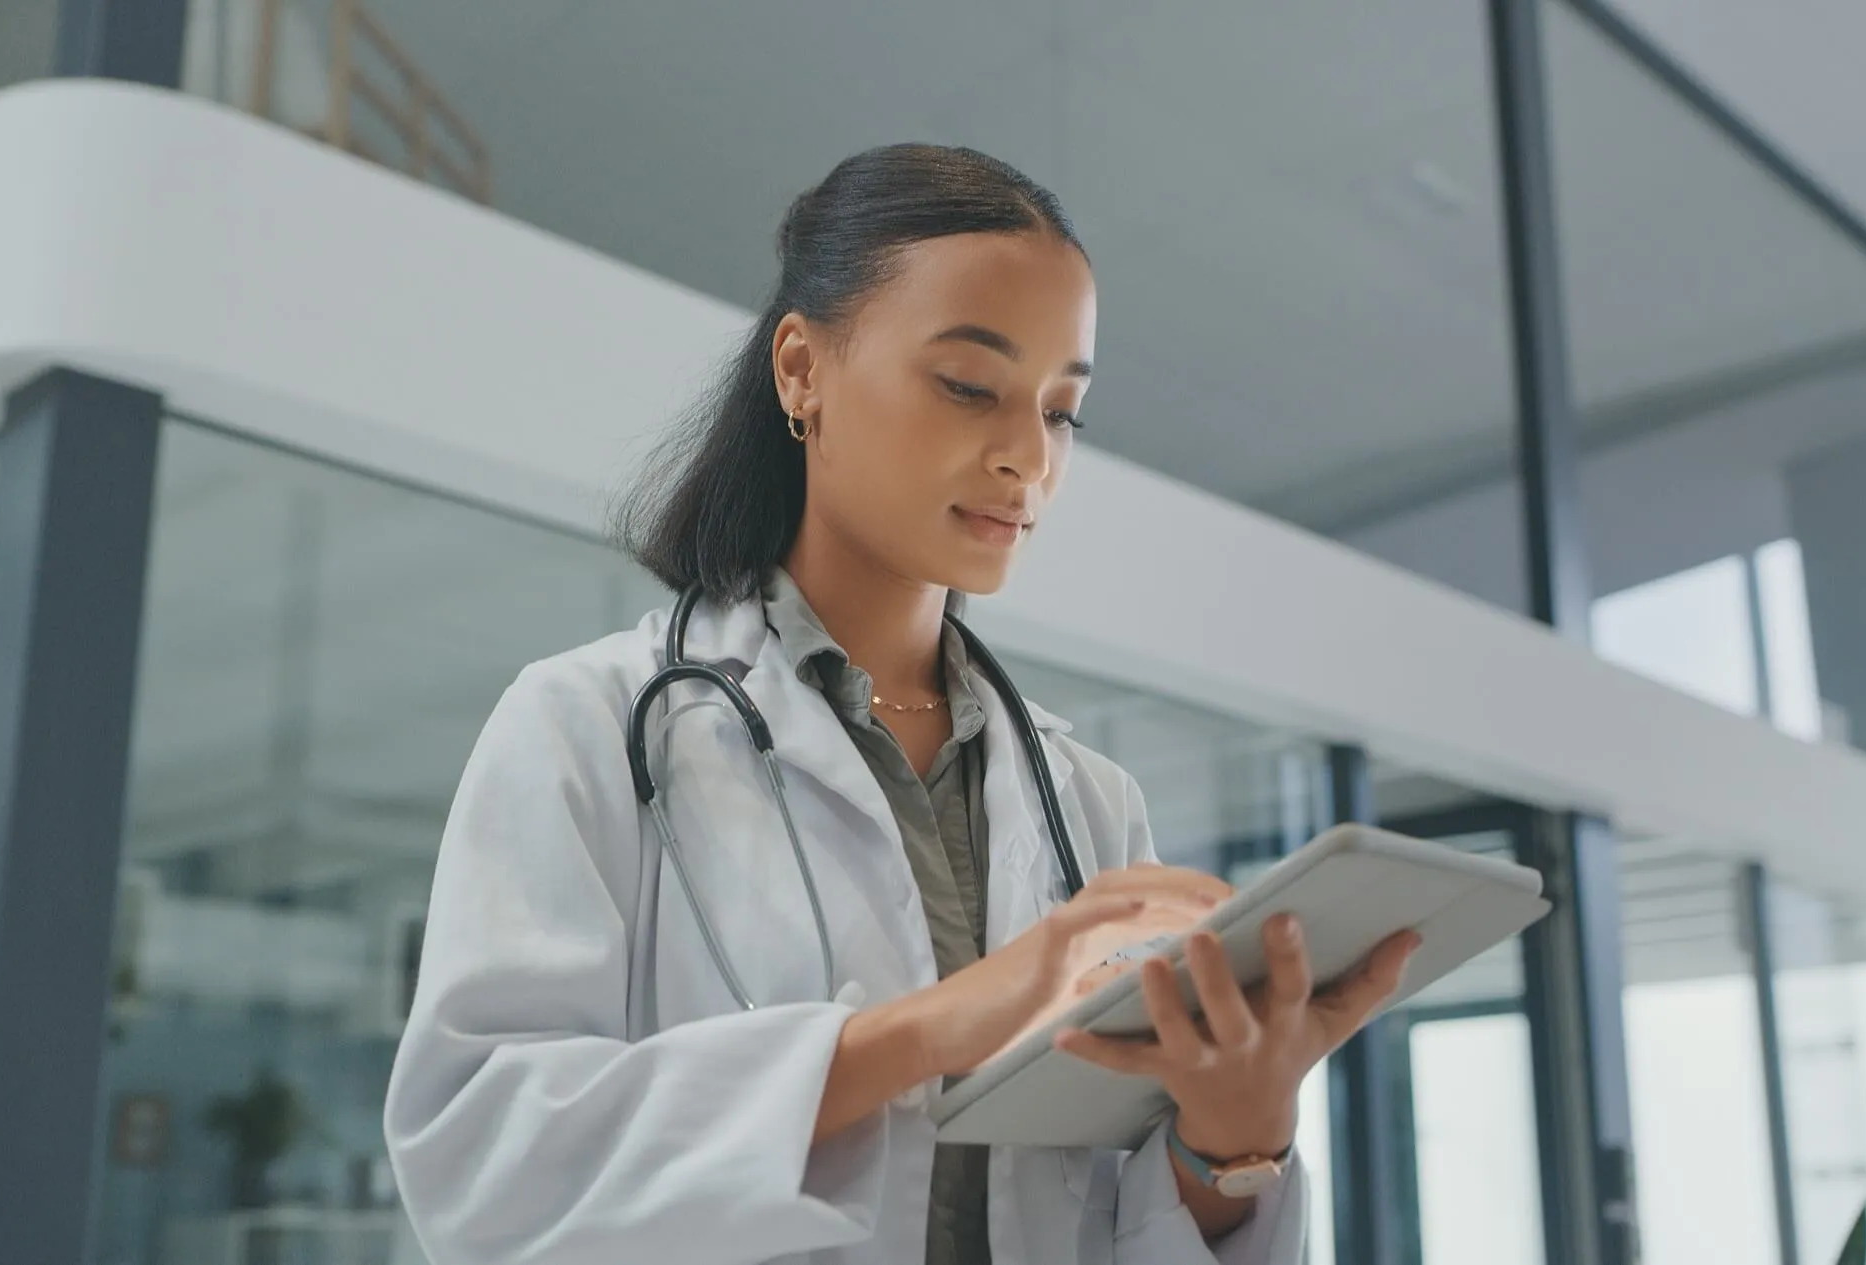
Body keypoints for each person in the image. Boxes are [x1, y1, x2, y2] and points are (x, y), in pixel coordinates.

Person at [381, 143, 1422, 1265]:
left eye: (1064, 411)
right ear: (801, 370)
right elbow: (480, 1163)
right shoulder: (585, 725)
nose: (1029, 455)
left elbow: (1118, 1220)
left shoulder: (1087, 800)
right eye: (971, 385)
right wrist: (941, 1021)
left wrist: (1232, 1140)